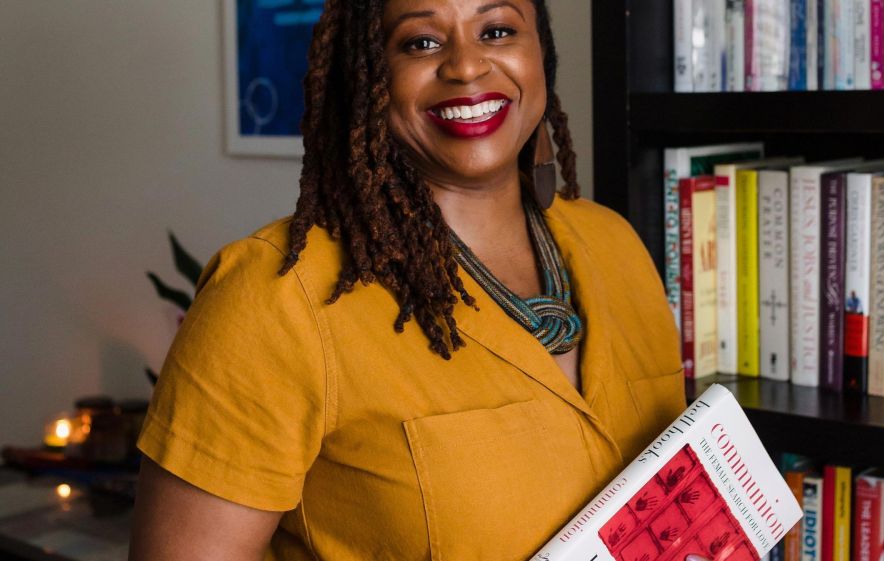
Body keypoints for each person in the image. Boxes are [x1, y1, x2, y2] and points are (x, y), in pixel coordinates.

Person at [128, 0, 685, 559]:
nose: (466, 66)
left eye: (496, 30)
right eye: (420, 42)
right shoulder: (275, 295)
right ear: (370, 74)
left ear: (543, 55)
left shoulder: (616, 244)